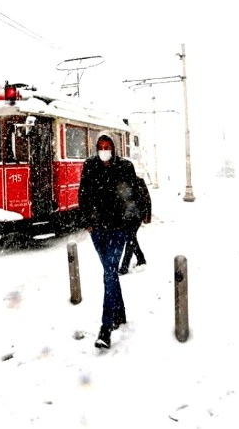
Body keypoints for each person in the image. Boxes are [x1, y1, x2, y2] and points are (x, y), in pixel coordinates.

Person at [78, 134, 141, 349]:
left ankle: (105, 328)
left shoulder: (125, 167)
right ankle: (120, 313)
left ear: (114, 148)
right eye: (100, 147)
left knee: (109, 271)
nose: (104, 150)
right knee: (111, 271)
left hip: (118, 229)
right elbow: (83, 195)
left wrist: (128, 225)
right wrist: (87, 221)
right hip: (98, 231)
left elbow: (132, 196)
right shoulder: (90, 166)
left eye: (108, 147)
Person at [119, 175, 152, 275]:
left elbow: (147, 198)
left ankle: (125, 266)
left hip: (136, 216)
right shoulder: (120, 181)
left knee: (130, 238)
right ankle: (141, 259)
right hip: (125, 216)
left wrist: (147, 215)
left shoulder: (138, 181)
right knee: (131, 238)